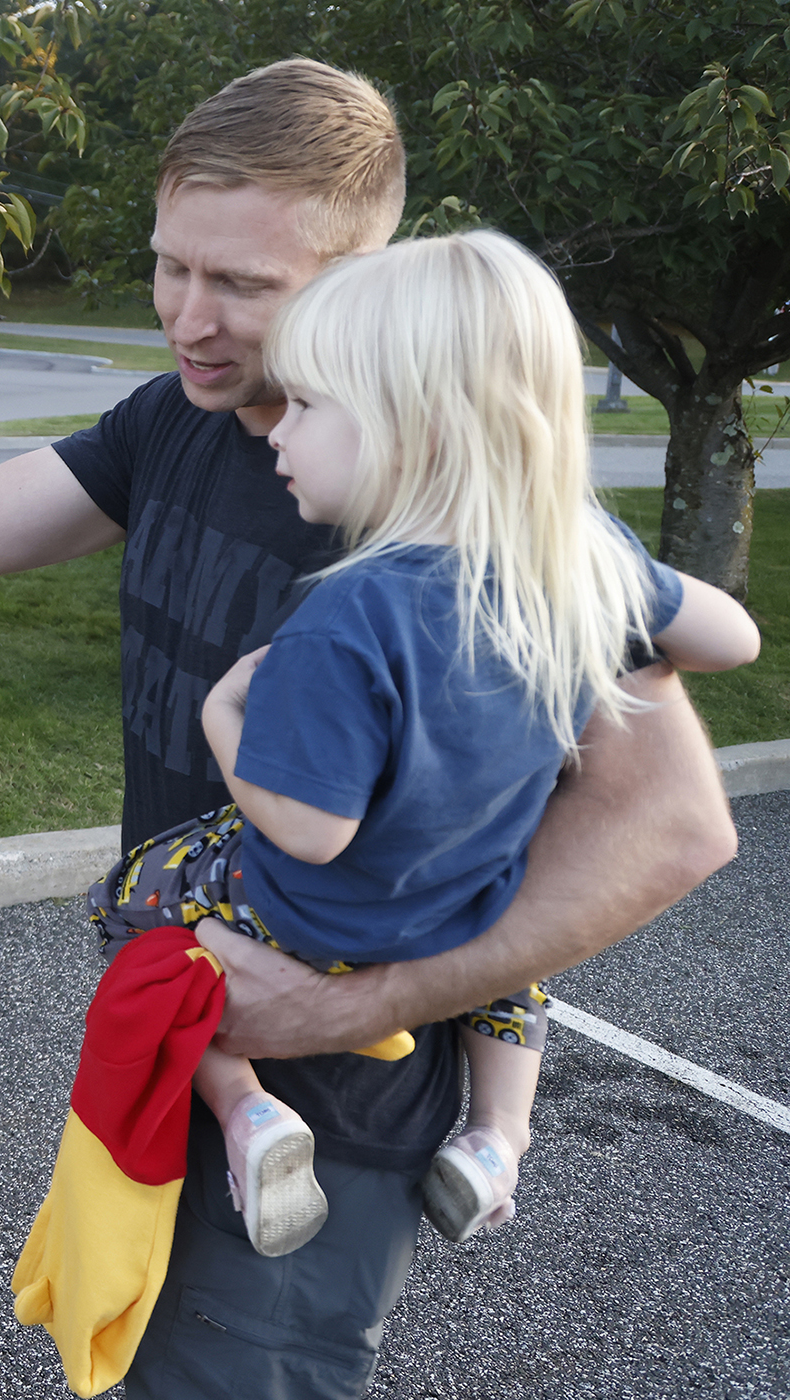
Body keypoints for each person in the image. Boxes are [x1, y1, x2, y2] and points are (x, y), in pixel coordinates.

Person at [0, 57, 737, 1397]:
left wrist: (373, 998)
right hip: (189, 1036)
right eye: (172, 265)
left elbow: (676, 825)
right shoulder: (184, 418)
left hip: (341, 1107)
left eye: (241, 285)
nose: (188, 315)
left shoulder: (463, 503)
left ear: (365, 276)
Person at [86, 229, 758, 1263]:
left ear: (409, 427)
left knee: (133, 906)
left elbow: (309, 830)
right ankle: (497, 1137)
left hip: (312, 916)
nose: (279, 434)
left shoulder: (344, 617)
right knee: (517, 972)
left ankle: (248, 1111)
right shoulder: (579, 567)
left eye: (307, 407)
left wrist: (226, 720)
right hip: (462, 908)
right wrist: (628, 594)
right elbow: (733, 638)